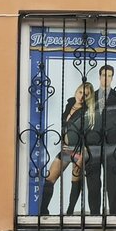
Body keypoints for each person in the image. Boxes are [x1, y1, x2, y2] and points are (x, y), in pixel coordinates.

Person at [39, 81, 96, 215]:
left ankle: (70, 212)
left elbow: (90, 132)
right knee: (49, 179)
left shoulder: (87, 111)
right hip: (66, 149)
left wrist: (84, 152)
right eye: (80, 92)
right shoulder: (69, 104)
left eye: (86, 95)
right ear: (76, 91)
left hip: (79, 150)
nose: (81, 97)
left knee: (75, 181)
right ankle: (43, 211)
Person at [84, 64, 116, 215]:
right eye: (104, 75)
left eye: (109, 76)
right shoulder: (90, 97)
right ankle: (94, 216)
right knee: (93, 183)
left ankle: (115, 215)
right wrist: (86, 142)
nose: (106, 79)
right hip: (92, 146)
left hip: (111, 145)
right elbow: (84, 121)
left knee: (112, 183)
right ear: (99, 76)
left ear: (112, 78)